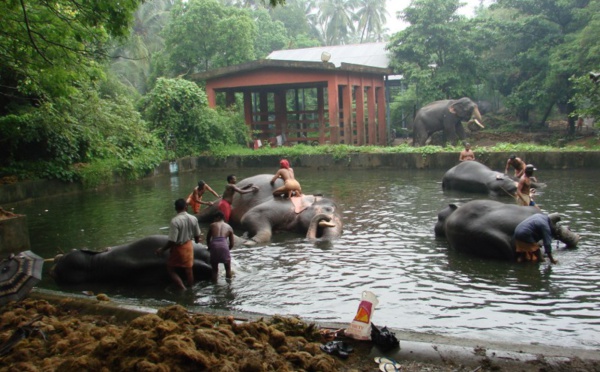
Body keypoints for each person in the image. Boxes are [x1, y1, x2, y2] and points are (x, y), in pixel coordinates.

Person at [156, 198, 201, 290]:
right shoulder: (193, 218)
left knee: (170, 268)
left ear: (176, 208)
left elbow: (172, 240)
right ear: (186, 207)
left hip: (179, 248)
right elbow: (197, 236)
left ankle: (182, 287)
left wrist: (162, 249)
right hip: (189, 246)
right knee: (189, 270)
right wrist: (197, 241)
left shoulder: (175, 221)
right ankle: (191, 288)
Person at [206, 211, 234, 282]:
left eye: (214, 218)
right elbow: (232, 244)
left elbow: (208, 238)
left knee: (215, 270)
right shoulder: (229, 227)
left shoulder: (212, 225)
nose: (214, 220)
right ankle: (229, 287)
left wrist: (209, 247)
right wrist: (228, 249)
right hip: (224, 246)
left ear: (218, 217)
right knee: (228, 269)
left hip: (214, 245)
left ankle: (215, 288)